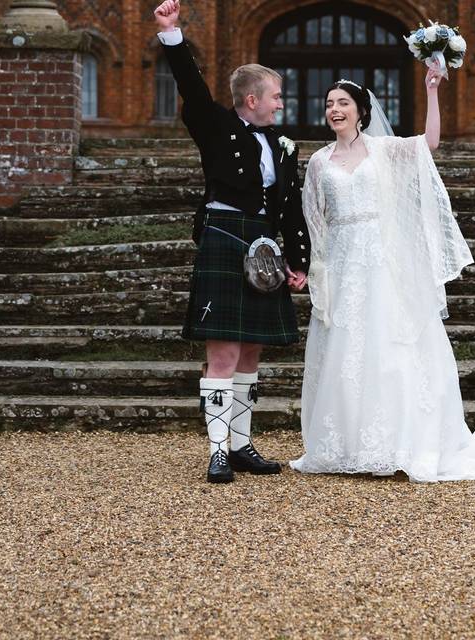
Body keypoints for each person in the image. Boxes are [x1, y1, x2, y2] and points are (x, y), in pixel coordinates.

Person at [290, 70, 475, 482]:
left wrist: (432, 91)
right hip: (344, 263)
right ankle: (347, 445)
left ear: (361, 111)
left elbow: (430, 144)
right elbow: (314, 222)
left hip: (383, 260)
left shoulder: (384, 150)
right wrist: (316, 270)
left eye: (342, 103)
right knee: (346, 350)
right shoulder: (318, 162)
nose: (334, 110)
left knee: (390, 344)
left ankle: (399, 441)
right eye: (329, 104)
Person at [154, 0, 309, 483]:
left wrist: (299, 259)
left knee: (250, 353)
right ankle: (218, 450)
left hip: (265, 244)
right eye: (276, 96)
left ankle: (242, 445)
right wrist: (172, 34)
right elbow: (193, 90)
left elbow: (292, 207)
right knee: (222, 354)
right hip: (225, 236)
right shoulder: (218, 128)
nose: (281, 102)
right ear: (251, 100)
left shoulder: (283, 146)